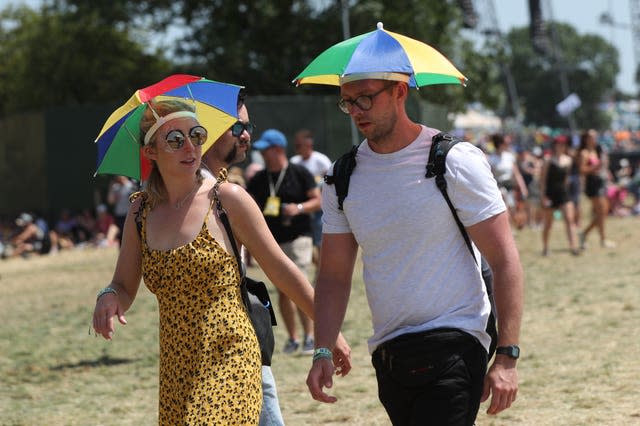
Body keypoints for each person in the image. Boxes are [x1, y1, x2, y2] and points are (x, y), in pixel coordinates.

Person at [91, 99, 351, 425]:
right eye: (175, 140)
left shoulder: (227, 199)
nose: (190, 146)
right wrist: (109, 295)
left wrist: (328, 333)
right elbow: (124, 285)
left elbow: (282, 270)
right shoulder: (140, 212)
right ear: (151, 152)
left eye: (197, 135)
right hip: (176, 369)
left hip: (231, 356)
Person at [305, 73, 524, 425]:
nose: (355, 111)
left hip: (456, 340)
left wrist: (507, 356)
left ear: (399, 92)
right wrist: (322, 349)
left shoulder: (453, 160)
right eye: (347, 102)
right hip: (389, 351)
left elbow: (504, 259)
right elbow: (332, 276)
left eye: (365, 98)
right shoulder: (341, 177)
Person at [247, 129, 321, 356]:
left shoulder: (299, 173)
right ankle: (293, 337)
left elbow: (318, 201)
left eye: (265, 150)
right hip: (273, 241)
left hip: (299, 237)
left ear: (278, 149)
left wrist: (298, 208)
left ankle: (310, 337)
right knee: (282, 291)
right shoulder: (259, 179)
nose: (260, 154)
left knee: (298, 284)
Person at [290, 129, 332, 261]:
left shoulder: (321, 160)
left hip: (319, 209)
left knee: (320, 243)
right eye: (295, 145)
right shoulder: (294, 162)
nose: (296, 149)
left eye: (299, 145)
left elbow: (331, 182)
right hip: (301, 210)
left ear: (308, 145)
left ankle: (321, 271)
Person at [539, 135, 579, 256]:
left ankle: (573, 247)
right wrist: (543, 196)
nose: (560, 146)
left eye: (563, 144)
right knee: (548, 223)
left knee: (569, 219)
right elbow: (543, 180)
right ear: (554, 145)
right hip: (550, 194)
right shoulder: (548, 160)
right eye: (558, 144)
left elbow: (566, 178)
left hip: (563, 193)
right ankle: (545, 248)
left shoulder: (568, 160)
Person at [578, 129, 615, 249]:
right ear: (587, 139)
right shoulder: (584, 153)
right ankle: (601, 239)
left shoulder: (597, 151)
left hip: (600, 182)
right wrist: (595, 167)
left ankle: (585, 234)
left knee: (603, 212)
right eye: (593, 137)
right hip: (592, 184)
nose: (595, 139)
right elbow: (582, 170)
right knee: (601, 212)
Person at [488, 133, 529, 227]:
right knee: (505, 206)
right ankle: (508, 228)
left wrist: (523, 188)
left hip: (510, 185)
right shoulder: (492, 159)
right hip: (499, 186)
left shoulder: (509, 156)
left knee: (512, 207)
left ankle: (514, 224)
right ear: (500, 144)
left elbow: (517, 174)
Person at [107, 175, 136, 244]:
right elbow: (110, 201)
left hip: (128, 214)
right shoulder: (116, 187)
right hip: (119, 215)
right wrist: (111, 187)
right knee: (121, 234)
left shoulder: (131, 186)